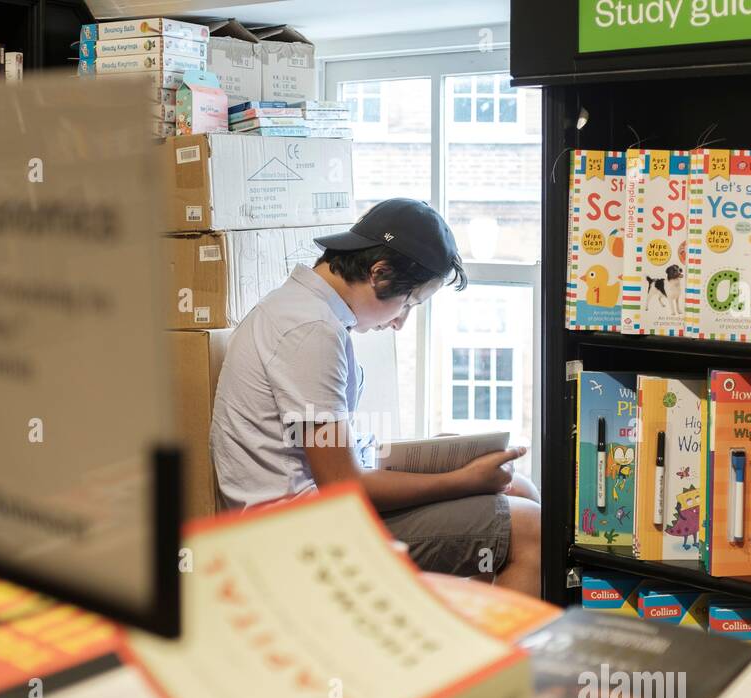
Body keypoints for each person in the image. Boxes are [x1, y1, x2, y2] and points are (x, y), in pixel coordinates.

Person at [210, 198, 541, 596]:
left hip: (316, 511)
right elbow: (343, 487)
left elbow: (335, 460)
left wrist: (436, 462)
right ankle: (490, 656)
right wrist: (459, 479)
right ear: (379, 273)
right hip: (300, 533)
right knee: (532, 530)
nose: (400, 322)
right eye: (408, 302)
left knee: (519, 488)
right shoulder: (311, 331)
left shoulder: (304, 310)